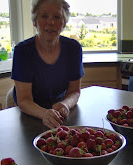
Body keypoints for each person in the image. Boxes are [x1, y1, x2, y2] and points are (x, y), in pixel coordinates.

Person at [11, 0, 84, 129]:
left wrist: (65, 104)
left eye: (57, 17)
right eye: (44, 16)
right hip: (30, 113)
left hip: (60, 113)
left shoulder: (74, 48)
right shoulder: (23, 51)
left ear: (64, 23)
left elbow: (74, 91)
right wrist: (44, 113)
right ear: (35, 21)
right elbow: (24, 100)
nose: (51, 22)